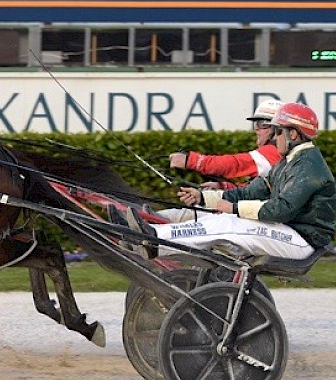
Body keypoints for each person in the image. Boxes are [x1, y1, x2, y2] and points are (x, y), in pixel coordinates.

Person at [123, 103, 336, 261]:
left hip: (302, 240)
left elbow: (282, 209)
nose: (274, 136)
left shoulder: (308, 167)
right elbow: (250, 192)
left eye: (278, 131)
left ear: (293, 134)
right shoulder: (289, 162)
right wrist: (204, 197)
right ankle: (155, 238)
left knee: (227, 223)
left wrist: (234, 208)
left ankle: (154, 238)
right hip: (289, 232)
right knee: (216, 221)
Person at [168, 98, 283, 190]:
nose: (256, 129)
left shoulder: (273, 153)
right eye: (256, 124)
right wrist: (222, 187)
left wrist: (190, 160)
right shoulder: (275, 154)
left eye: (262, 124)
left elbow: (234, 164)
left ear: (278, 129)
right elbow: (255, 190)